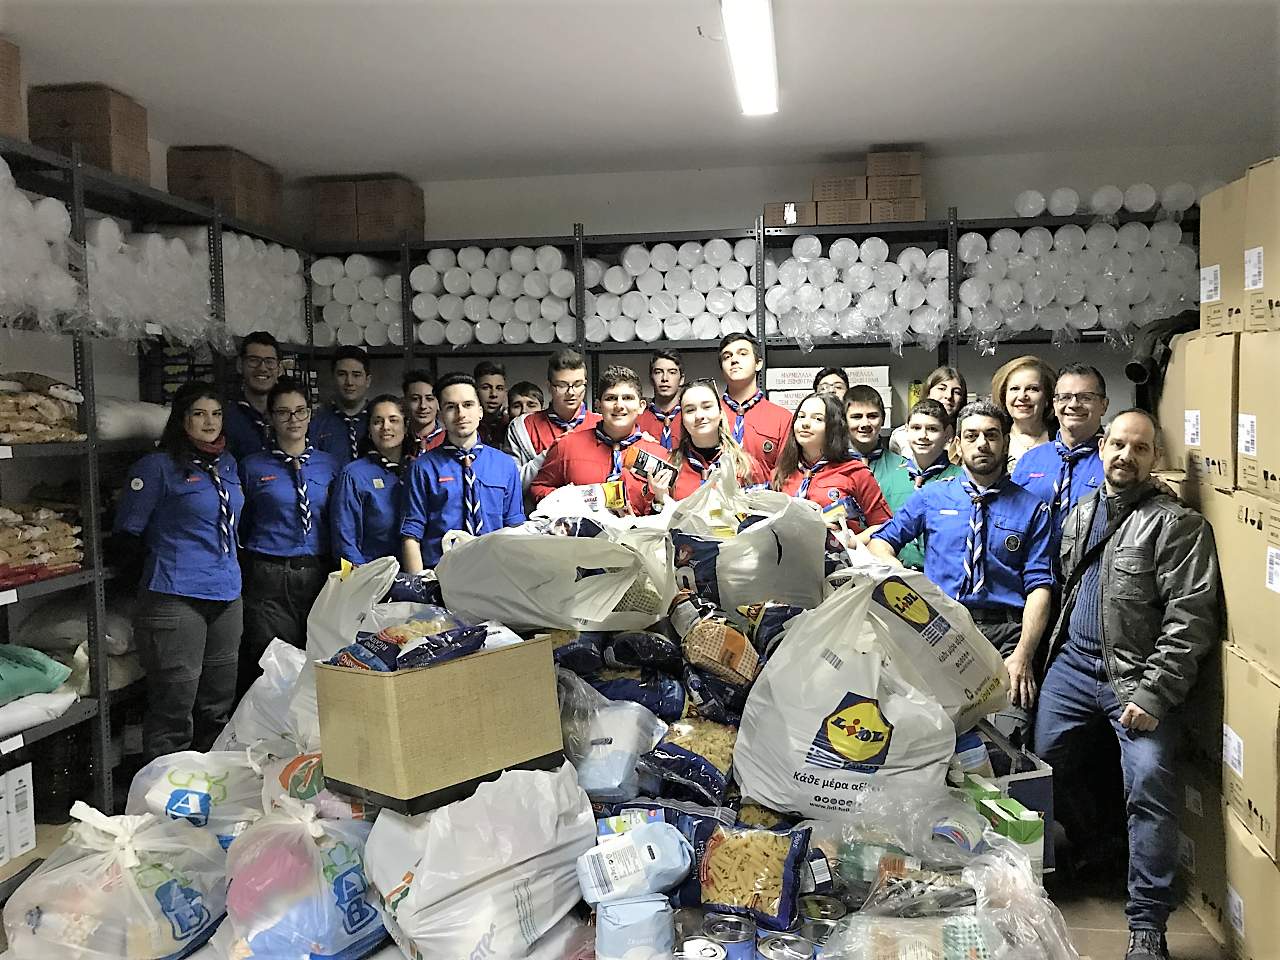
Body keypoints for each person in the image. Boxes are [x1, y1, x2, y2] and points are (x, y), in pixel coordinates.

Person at [1034, 410, 1221, 960]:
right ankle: (1102, 848)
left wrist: (1154, 693)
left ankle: (1147, 925)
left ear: (1155, 458)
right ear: (1101, 448)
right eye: (1118, 444)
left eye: (1140, 448)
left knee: (1150, 788)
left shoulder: (1178, 526)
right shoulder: (1081, 512)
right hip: (1073, 666)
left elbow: (1190, 621)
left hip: (1135, 677)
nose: (1126, 456)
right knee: (1047, 764)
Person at [869, 400, 1054, 735]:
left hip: (1006, 637)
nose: (982, 444)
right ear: (957, 444)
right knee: (935, 735)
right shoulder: (932, 497)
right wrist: (909, 583)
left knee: (1009, 737)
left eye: (991, 435)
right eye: (971, 436)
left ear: (1006, 442)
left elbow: (1039, 587)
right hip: (941, 631)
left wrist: (1024, 655)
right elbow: (881, 544)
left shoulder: (1032, 509)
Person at [114, 382, 244, 760]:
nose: (209, 422)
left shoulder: (227, 464)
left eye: (216, 414)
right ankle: (164, 786)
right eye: (199, 414)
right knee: (174, 705)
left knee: (218, 703)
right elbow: (127, 535)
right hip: (176, 596)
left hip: (227, 593)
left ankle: (212, 782)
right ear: (182, 419)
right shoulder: (157, 467)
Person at [237, 378, 340, 693]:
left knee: (318, 658)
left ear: (310, 414)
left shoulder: (330, 465)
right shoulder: (252, 467)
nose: (293, 419)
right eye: (283, 412)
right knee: (270, 663)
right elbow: (242, 522)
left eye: (300, 411)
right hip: (269, 574)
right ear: (270, 418)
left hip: (319, 572)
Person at [401, 374, 524, 572]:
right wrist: (420, 583)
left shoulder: (505, 465)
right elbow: (411, 534)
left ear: (480, 411)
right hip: (440, 573)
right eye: (451, 407)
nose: (460, 414)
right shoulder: (423, 468)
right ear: (441, 415)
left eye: (468, 405)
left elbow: (516, 529)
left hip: (496, 572)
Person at [531, 365, 668, 515]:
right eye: (611, 398)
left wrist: (658, 503)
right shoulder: (567, 446)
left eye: (627, 398)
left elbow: (672, 512)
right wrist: (573, 503)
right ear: (598, 406)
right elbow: (539, 488)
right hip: (582, 529)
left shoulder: (659, 455)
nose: (619, 405)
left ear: (641, 406)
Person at [1012, 363, 1109, 550]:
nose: (1073, 404)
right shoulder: (1029, 461)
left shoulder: (1115, 463)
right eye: (1065, 397)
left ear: (1103, 405)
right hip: (1035, 566)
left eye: (1085, 397)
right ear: (1055, 404)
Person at [772, 393, 891, 533]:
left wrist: (852, 542)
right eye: (801, 416)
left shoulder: (856, 472)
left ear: (834, 427)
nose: (805, 423)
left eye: (817, 419)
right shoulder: (782, 471)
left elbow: (884, 526)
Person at [845, 386, 932, 567]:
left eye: (872, 416)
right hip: (843, 566)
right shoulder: (830, 470)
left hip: (896, 566)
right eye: (856, 417)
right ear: (843, 421)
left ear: (883, 419)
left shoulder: (907, 471)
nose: (865, 423)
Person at [330, 394, 411, 566]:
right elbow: (344, 540)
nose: (385, 427)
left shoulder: (416, 469)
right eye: (377, 421)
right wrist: (361, 577)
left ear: (405, 426)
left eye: (393, 420)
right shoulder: (353, 475)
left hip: (418, 570)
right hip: (370, 573)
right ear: (369, 429)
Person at [507, 348, 601, 489]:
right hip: (538, 503)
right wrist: (549, 454)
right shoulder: (522, 427)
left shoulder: (601, 425)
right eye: (562, 385)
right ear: (549, 387)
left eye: (577, 384)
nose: (571, 392)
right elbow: (511, 484)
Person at [668, 380, 764, 499]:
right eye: (690, 410)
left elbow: (761, 508)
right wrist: (658, 500)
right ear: (682, 419)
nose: (699, 416)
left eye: (707, 407)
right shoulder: (671, 465)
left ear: (720, 413)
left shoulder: (747, 466)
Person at [718, 333, 791, 473]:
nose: (734, 360)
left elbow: (785, 474)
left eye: (742, 354)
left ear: (758, 364)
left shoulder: (782, 418)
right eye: (727, 357)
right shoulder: (709, 414)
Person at [223, 332, 283, 461]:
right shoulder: (224, 418)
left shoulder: (291, 417)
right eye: (254, 360)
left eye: (270, 361)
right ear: (240, 365)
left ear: (279, 369)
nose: (262, 368)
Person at [991, 355, 1057, 469]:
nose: (1022, 396)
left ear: (1047, 397)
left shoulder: (1063, 439)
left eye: (1032, 389)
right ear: (1004, 396)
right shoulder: (993, 438)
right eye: (1015, 389)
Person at [311, 346, 372, 464]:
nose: (349, 382)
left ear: (368, 380)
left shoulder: (381, 422)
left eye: (356, 375)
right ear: (333, 378)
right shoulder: (318, 423)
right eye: (342, 374)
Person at [888, 365, 967, 457]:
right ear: (928, 392)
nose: (949, 396)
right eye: (942, 388)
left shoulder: (967, 435)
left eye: (956, 392)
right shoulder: (901, 436)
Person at [901, 398, 965, 490]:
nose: (923, 436)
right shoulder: (892, 478)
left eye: (932, 429)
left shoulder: (962, 479)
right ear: (907, 430)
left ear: (947, 433)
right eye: (916, 428)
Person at [636, 348, 685, 451]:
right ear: (651, 378)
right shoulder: (637, 419)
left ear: (681, 379)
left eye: (672, 372)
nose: (665, 378)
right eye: (658, 372)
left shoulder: (690, 417)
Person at [403, 368, 444, 453]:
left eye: (429, 399)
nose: (423, 406)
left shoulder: (450, 438)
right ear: (405, 402)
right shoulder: (397, 438)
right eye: (415, 399)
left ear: (439, 402)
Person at [474, 360, 510, 448]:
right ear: (475, 391)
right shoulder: (466, 424)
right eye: (486, 388)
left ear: (505, 392)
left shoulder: (511, 425)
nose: (493, 394)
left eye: (499, 388)